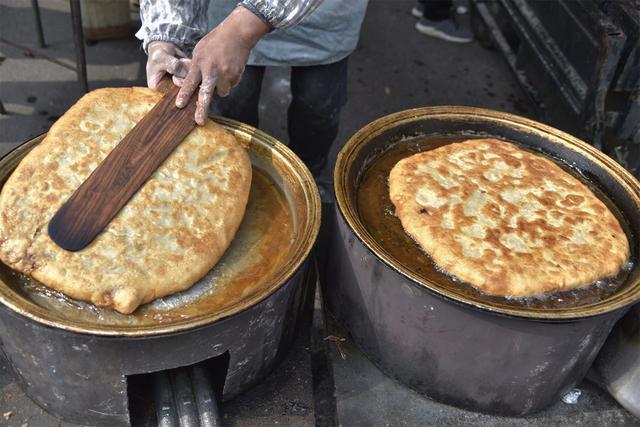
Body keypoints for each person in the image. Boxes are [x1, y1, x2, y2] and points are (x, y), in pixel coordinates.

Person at [136, 0, 368, 180]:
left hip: (326, 18)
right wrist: (166, 32)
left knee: (317, 107)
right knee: (233, 107)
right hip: (225, 21)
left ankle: (311, 177)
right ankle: (239, 175)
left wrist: (242, 29)